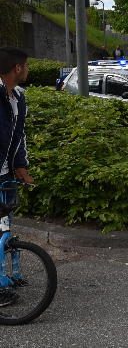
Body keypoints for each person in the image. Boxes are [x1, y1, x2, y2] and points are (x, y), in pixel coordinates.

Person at [0, 47, 32, 307]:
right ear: (17, 68)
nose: (28, 69)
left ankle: (11, 275)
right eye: (26, 65)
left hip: (6, 173)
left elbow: (19, 136)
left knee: (5, 228)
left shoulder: (18, 97)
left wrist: (20, 166)